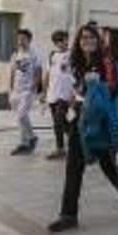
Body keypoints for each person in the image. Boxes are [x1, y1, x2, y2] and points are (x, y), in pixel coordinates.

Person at [47, 24, 118, 232]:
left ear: (98, 41)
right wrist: (75, 99)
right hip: (79, 121)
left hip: (99, 124)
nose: (87, 41)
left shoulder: (106, 63)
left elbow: (113, 90)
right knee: (73, 167)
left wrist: (94, 89)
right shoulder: (78, 63)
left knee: (109, 168)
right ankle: (68, 215)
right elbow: (76, 89)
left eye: (91, 37)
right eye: (83, 38)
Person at [9, 29, 42, 155]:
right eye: (19, 38)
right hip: (16, 90)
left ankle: (25, 142)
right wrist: (10, 89)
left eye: (23, 38)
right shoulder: (15, 54)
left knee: (21, 115)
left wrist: (34, 87)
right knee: (21, 117)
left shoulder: (34, 54)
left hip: (27, 90)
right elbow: (12, 72)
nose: (21, 41)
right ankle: (31, 138)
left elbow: (38, 71)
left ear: (29, 40)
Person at [43, 30, 73, 160]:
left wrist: (74, 93)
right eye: (59, 40)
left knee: (59, 119)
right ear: (55, 43)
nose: (63, 42)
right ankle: (61, 148)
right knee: (59, 122)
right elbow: (48, 74)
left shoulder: (72, 54)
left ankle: (75, 141)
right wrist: (44, 92)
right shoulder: (52, 55)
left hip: (65, 94)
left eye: (64, 39)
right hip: (52, 94)